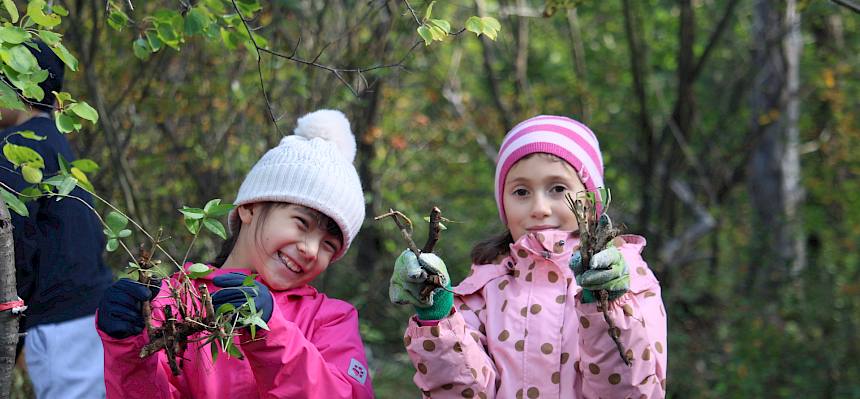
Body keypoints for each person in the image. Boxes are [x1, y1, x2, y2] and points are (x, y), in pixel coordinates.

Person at [96, 110, 374, 398]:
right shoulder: (174, 300)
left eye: (329, 244)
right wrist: (127, 349)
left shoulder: (330, 319)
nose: (311, 249)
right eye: (301, 223)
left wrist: (272, 332)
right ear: (250, 208)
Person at [389, 115, 668, 398]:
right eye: (521, 191)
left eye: (558, 189)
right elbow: (459, 392)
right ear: (504, 204)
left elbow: (632, 390)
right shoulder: (483, 288)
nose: (539, 208)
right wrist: (437, 317)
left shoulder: (630, 277)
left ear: (590, 199)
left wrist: (606, 305)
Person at [0, 40, 113, 398]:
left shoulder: (15, 147)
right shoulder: (54, 140)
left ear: (20, 87)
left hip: (61, 323)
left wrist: (11, 330)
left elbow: (14, 243)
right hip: (92, 313)